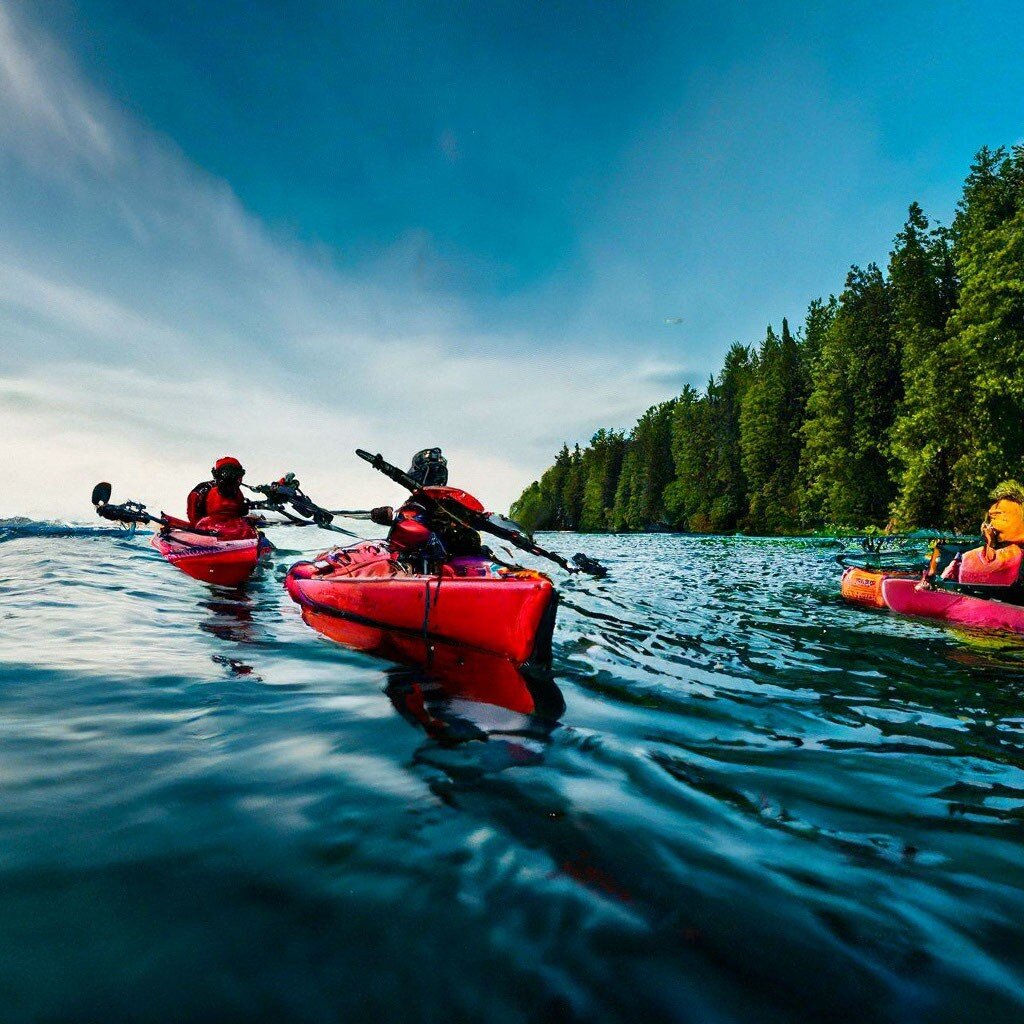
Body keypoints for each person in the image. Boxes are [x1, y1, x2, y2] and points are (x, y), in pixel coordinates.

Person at [370, 448, 484, 567]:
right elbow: (409, 523)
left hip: (440, 564)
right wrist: (385, 517)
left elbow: (429, 525)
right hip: (411, 559)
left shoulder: (448, 503)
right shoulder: (416, 501)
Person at [940, 480, 1024, 590]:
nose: (991, 525)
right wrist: (989, 547)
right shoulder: (966, 557)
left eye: (997, 516)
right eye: (991, 518)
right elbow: (944, 588)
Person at [186, 457, 257, 539]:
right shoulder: (201, 492)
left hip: (232, 531)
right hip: (206, 531)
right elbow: (193, 518)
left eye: (234, 474)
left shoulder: (237, 493)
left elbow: (239, 512)